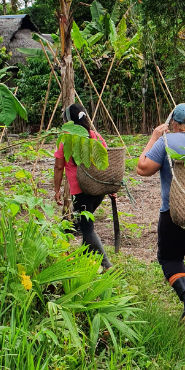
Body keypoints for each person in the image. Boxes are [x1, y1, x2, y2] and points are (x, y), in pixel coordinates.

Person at [136, 103, 185, 315]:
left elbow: (142, 169)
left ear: (174, 124)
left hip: (173, 213)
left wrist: (153, 137)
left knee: (170, 259)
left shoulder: (166, 141)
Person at [54, 103, 112, 269]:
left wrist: (57, 190)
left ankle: (106, 265)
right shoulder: (95, 136)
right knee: (84, 221)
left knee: (87, 229)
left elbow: (59, 167)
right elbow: (107, 161)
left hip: (80, 191)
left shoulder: (66, 140)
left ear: (69, 122)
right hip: (98, 190)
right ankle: (81, 258)